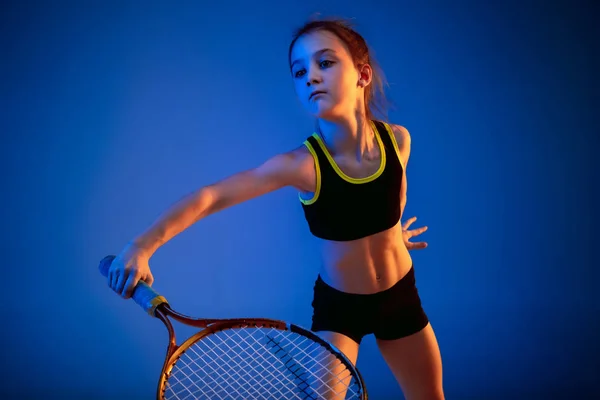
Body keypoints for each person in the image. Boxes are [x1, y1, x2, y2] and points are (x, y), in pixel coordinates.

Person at [107, 17, 444, 400]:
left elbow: (390, 204)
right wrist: (142, 246)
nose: (311, 77)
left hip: (400, 296)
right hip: (341, 310)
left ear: (362, 75)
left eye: (325, 63)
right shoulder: (302, 166)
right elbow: (212, 196)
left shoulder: (397, 141)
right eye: (300, 71)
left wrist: (391, 236)